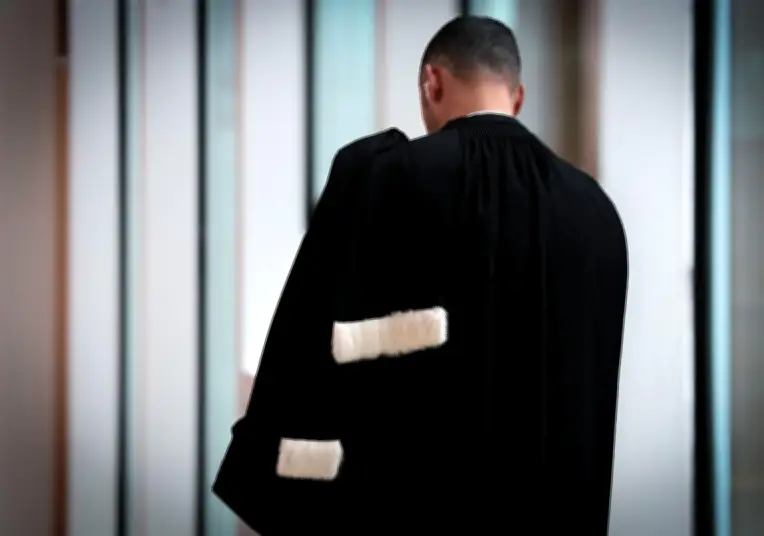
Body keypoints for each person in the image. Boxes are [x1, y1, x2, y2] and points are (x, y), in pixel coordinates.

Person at [214, 15, 628, 534]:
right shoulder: (595, 212)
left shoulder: (384, 177)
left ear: (432, 82)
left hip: (413, 511)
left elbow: (311, 341)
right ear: (517, 97)